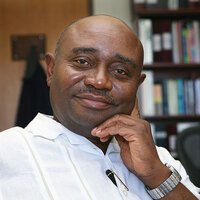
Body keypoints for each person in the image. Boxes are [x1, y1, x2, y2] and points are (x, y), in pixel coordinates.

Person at [0, 15, 199, 200]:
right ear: (51, 69)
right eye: (82, 61)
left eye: (120, 71)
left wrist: (156, 175)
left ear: (137, 86)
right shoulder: (8, 152)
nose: (100, 81)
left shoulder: (160, 160)